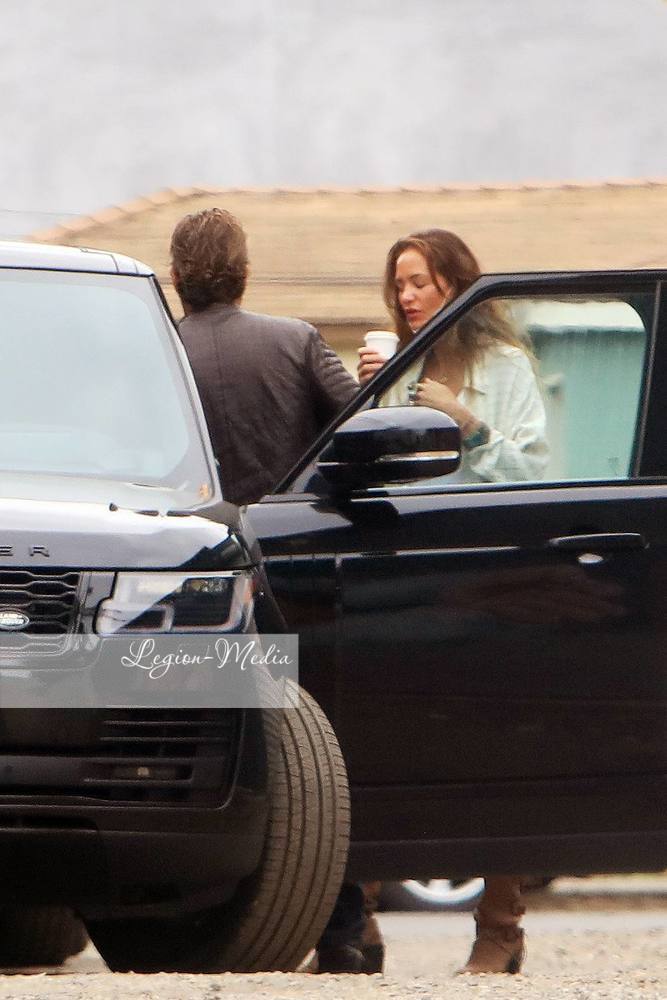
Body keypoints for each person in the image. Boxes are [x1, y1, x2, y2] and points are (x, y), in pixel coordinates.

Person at [353, 229, 549, 976]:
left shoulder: (505, 367)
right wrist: (366, 397)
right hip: (403, 576)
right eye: (398, 284)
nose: (406, 296)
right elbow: (364, 474)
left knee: (490, 746)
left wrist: (465, 421)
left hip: (486, 574)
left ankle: (499, 927)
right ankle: (357, 926)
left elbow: (533, 473)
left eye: (420, 282)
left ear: (456, 287)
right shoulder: (395, 367)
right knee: (383, 741)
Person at [170, 207, 358, 506]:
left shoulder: (155, 355)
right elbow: (364, 425)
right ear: (245, 274)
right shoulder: (298, 340)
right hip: (291, 526)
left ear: (175, 277)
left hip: (186, 525)